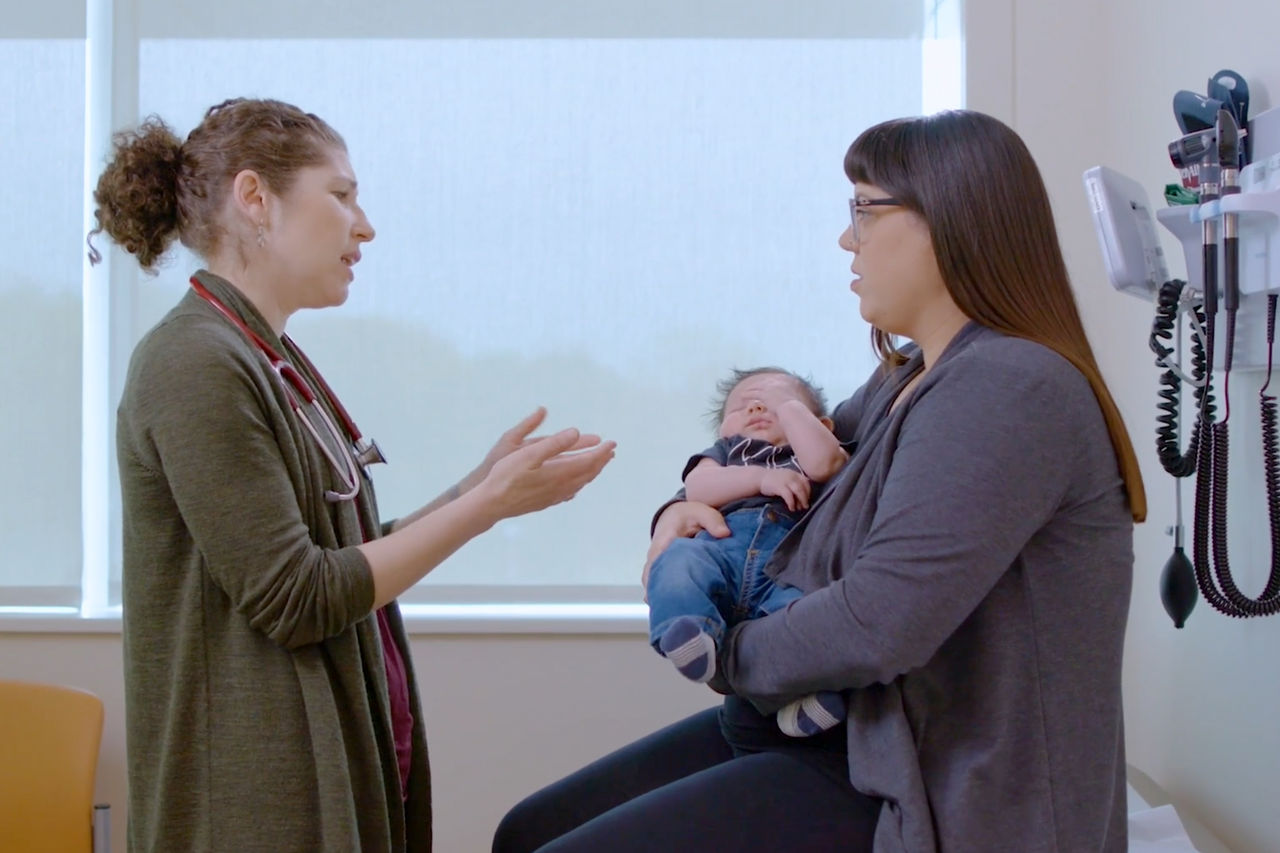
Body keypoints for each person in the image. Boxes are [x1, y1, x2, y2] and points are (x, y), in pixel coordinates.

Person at [491, 109, 1145, 853]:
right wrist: (680, 509)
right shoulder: (905, 377)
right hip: (855, 733)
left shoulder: (1009, 387)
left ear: (949, 218)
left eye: (864, 209)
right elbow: (780, 468)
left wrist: (723, 650)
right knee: (528, 830)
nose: (847, 238)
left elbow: (877, 620)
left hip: (937, 784)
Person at [88, 97, 615, 853]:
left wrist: (480, 489)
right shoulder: (193, 363)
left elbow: (341, 560)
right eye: (340, 194)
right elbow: (297, 595)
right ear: (254, 198)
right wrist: (486, 506)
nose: (363, 225)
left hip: (332, 763)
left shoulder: (267, 357)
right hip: (248, 804)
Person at [647, 366, 849, 737]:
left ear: (821, 423)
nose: (757, 409)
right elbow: (698, 489)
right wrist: (760, 478)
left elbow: (826, 464)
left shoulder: (814, 453)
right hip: (721, 552)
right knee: (678, 562)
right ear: (724, 429)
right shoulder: (727, 453)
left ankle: (803, 699)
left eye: (774, 401)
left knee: (801, 619)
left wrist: (790, 413)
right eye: (744, 406)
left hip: (787, 569)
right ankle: (688, 630)